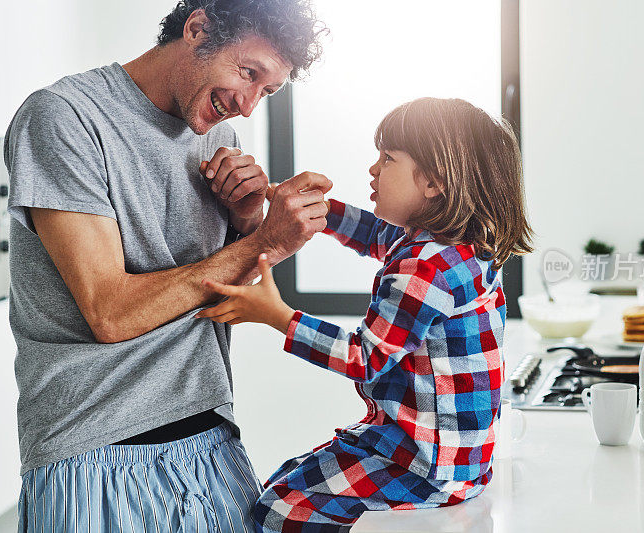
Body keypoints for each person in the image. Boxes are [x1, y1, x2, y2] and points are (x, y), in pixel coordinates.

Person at [4, 1, 328, 531]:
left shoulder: (218, 134)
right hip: (91, 449)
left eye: (267, 92)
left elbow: (216, 297)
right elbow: (111, 313)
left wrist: (246, 222)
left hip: (210, 436)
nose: (247, 106)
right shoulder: (64, 118)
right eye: (249, 74)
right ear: (196, 29)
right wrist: (260, 241)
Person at [197, 97, 535, 531]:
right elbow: (376, 233)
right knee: (284, 481)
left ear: (433, 183)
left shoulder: (427, 269)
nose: (373, 170)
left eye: (388, 159)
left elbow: (365, 358)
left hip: (424, 467)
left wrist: (277, 315)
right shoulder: (450, 245)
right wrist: (307, 205)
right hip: (447, 457)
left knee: (279, 509)